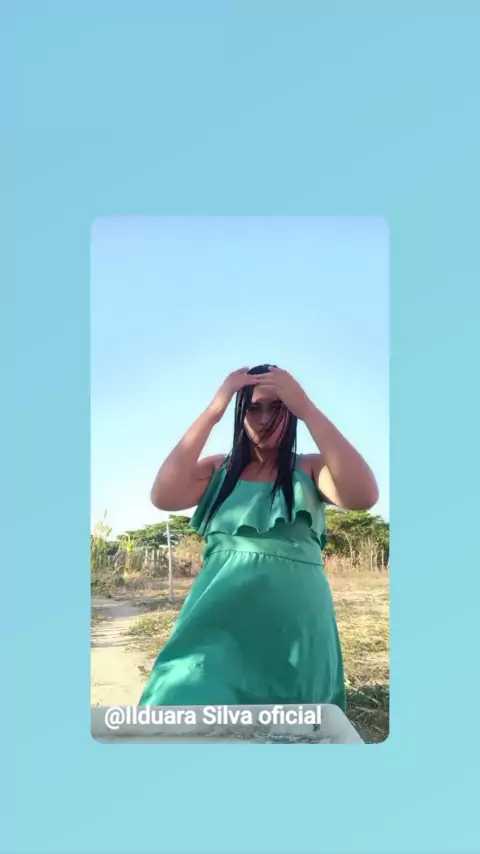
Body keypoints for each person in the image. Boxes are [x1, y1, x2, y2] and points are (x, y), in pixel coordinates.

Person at [139, 365, 378, 710]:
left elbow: (363, 495)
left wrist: (307, 409)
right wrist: (215, 409)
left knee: (295, 730)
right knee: (181, 700)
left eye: (277, 407)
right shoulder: (219, 471)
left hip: (297, 632)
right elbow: (164, 495)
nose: (264, 419)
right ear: (240, 413)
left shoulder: (309, 469)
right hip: (219, 623)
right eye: (253, 408)